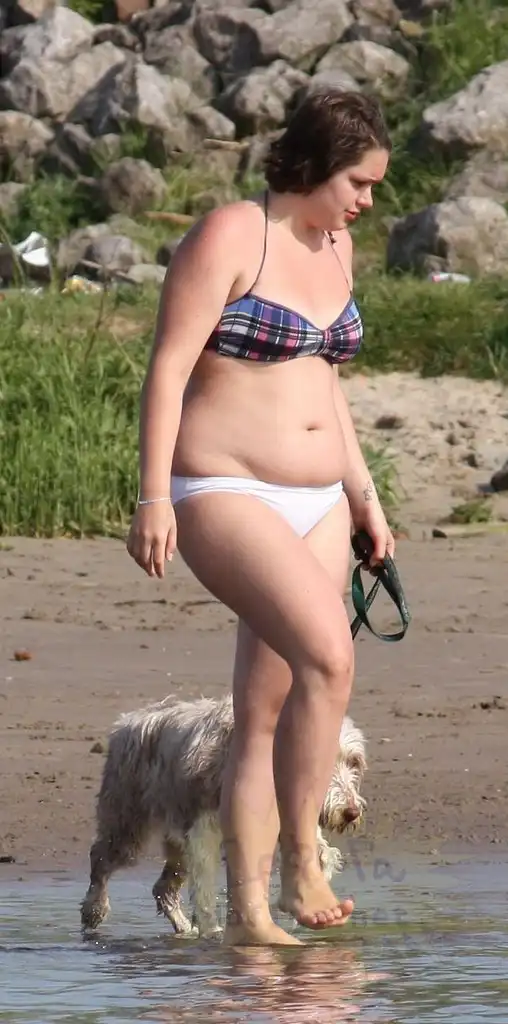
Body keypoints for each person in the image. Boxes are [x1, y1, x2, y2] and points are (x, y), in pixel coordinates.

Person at [127, 89, 395, 947]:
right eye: (358, 182)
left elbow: (326, 382)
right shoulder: (231, 236)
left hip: (320, 501)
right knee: (330, 656)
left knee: (265, 710)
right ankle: (302, 862)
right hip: (224, 487)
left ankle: (248, 918)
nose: (367, 201)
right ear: (315, 164)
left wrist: (363, 494)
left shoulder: (337, 245)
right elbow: (168, 369)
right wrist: (152, 497)